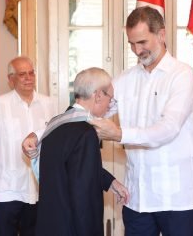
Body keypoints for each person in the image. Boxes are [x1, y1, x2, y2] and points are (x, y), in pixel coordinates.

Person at [89, 6, 193, 236]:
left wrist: (120, 134)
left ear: (161, 35)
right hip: (137, 198)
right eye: (131, 44)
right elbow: (91, 109)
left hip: (177, 198)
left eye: (142, 42)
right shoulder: (125, 79)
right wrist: (41, 133)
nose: (137, 50)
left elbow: (168, 129)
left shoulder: (182, 75)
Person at [23, 67, 129, 236]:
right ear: (98, 95)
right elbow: (83, 196)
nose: (111, 104)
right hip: (73, 227)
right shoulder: (86, 133)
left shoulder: (54, 125)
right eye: (111, 98)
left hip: (51, 223)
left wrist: (110, 182)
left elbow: (71, 169)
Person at [0, 56, 57, 235]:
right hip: (7, 189)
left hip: (39, 189)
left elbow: (54, 144)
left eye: (31, 73)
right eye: (22, 74)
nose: (29, 78)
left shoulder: (49, 104)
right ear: (10, 79)